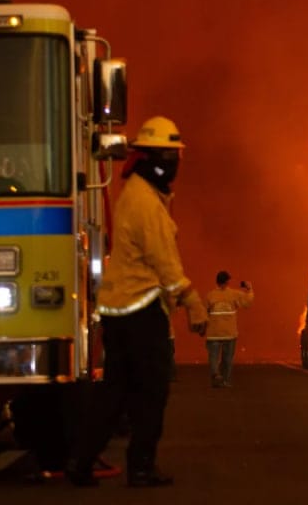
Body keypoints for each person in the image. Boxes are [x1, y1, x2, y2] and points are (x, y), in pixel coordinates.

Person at [66, 116, 208, 488]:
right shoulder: (145, 202)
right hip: (141, 311)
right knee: (151, 391)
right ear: (152, 157)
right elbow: (164, 259)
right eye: (170, 154)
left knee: (114, 392)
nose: (175, 162)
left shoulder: (137, 193)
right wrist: (190, 298)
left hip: (118, 310)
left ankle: (81, 462)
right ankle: (141, 466)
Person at [205, 271, 254, 387]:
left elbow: (204, 312)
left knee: (213, 357)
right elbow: (247, 303)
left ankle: (216, 375)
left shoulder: (210, 295)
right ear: (227, 282)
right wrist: (249, 289)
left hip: (213, 333)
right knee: (227, 359)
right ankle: (225, 380)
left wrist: (202, 328)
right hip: (229, 333)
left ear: (217, 282)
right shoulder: (234, 294)